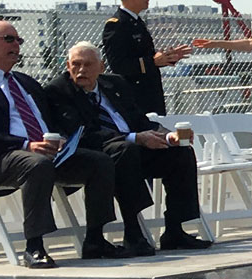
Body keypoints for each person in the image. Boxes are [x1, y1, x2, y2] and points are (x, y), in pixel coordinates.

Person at [0, 20, 120, 268]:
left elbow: (49, 120)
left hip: (43, 153)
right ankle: (34, 247)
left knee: (100, 161)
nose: (16, 45)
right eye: (9, 39)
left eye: (18, 40)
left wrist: (59, 138)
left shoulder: (27, 83)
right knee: (36, 164)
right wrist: (26, 144)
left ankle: (94, 239)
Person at [45, 42, 210, 254]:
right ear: (67, 66)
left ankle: (174, 230)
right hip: (97, 151)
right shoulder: (58, 91)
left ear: (101, 67)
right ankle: (133, 231)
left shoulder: (115, 84)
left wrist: (168, 136)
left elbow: (140, 120)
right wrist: (134, 138)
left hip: (131, 146)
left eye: (87, 64)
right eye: (75, 64)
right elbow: (82, 132)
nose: (81, 70)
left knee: (180, 152)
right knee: (125, 151)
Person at [101, 0, 191, 117]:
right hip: (134, 97)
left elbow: (146, 57)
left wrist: (167, 58)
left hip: (150, 95)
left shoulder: (136, 22)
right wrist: (152, 61)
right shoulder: (117, 25)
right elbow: (118, 65)